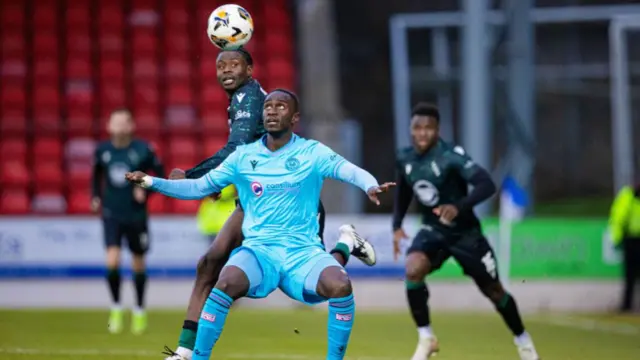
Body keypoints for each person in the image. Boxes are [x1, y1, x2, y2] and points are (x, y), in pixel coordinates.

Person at [126, 89, 394, 360]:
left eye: (281, 106)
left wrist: (369, 184)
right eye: (268, 106)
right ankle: (197, 358)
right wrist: (151, 182)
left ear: (295, 118)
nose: (272, 111)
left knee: (339, 285)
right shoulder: (243, 157)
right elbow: (198, 187)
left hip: (302, 254)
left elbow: (348, 169)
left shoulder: (312, 152)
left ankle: (345, 249)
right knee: (226, 281)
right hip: (259, 252)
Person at [392, 103, 540, 360]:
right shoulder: (405, 158)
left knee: (494, 291)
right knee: (413, 268)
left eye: (428, 128)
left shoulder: (452, 156)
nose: (422, 133)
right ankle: (426, 338)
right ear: (411, 130)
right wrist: (397, 225)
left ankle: (523, 342)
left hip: (466, 234)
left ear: (438, 130)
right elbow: (404, 191)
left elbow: (486, 184)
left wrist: (458, 206)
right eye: (417, 128)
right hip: (433, 230)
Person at [91, 108, 165, 335]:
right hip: (112, 213)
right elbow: (96, 176)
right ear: (109, 126)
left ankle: (139, 310)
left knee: (138, 262)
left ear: (131, 126)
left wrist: (146, 191)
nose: (120, 127)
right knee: (112, 261)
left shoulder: (143, 149)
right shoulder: (102, 150)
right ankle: (115, 308)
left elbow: (159, 174)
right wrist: (95, 197)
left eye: (124, 123)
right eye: (116, 123)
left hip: (136, 215)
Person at [609, 183, 640, 312]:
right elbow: (618, 218)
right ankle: (627, 304)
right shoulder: (628, 196)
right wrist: (617, 238)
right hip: (631, 240)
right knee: (630, 275)